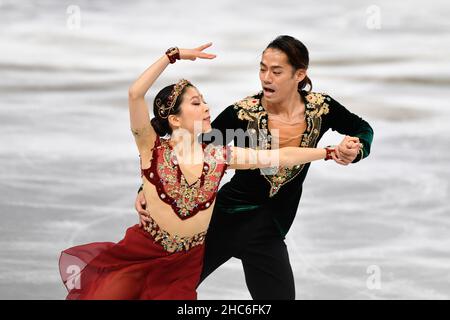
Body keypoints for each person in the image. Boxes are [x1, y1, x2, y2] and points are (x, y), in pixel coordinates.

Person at [58, 43, 337, 300]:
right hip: (144, 253)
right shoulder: (152, 148)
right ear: (175, 118)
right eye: (196, 103)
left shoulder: (220, 157)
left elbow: (279, 156)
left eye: (204, 101)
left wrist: (328, 152)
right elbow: (135, 94)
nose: (206, 107)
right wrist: (172, 56)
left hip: (184, 264)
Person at [135, 35, 374, 300]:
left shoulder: (322, 109)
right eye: (262, 68)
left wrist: (356, 148)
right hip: (223, 222)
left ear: (299, 74)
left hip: (270, 230)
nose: (266, 77)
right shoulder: (241, 114)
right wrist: (146, 189)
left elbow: (362, 128)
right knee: (167, 292)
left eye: (276, 71)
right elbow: (189, 154)